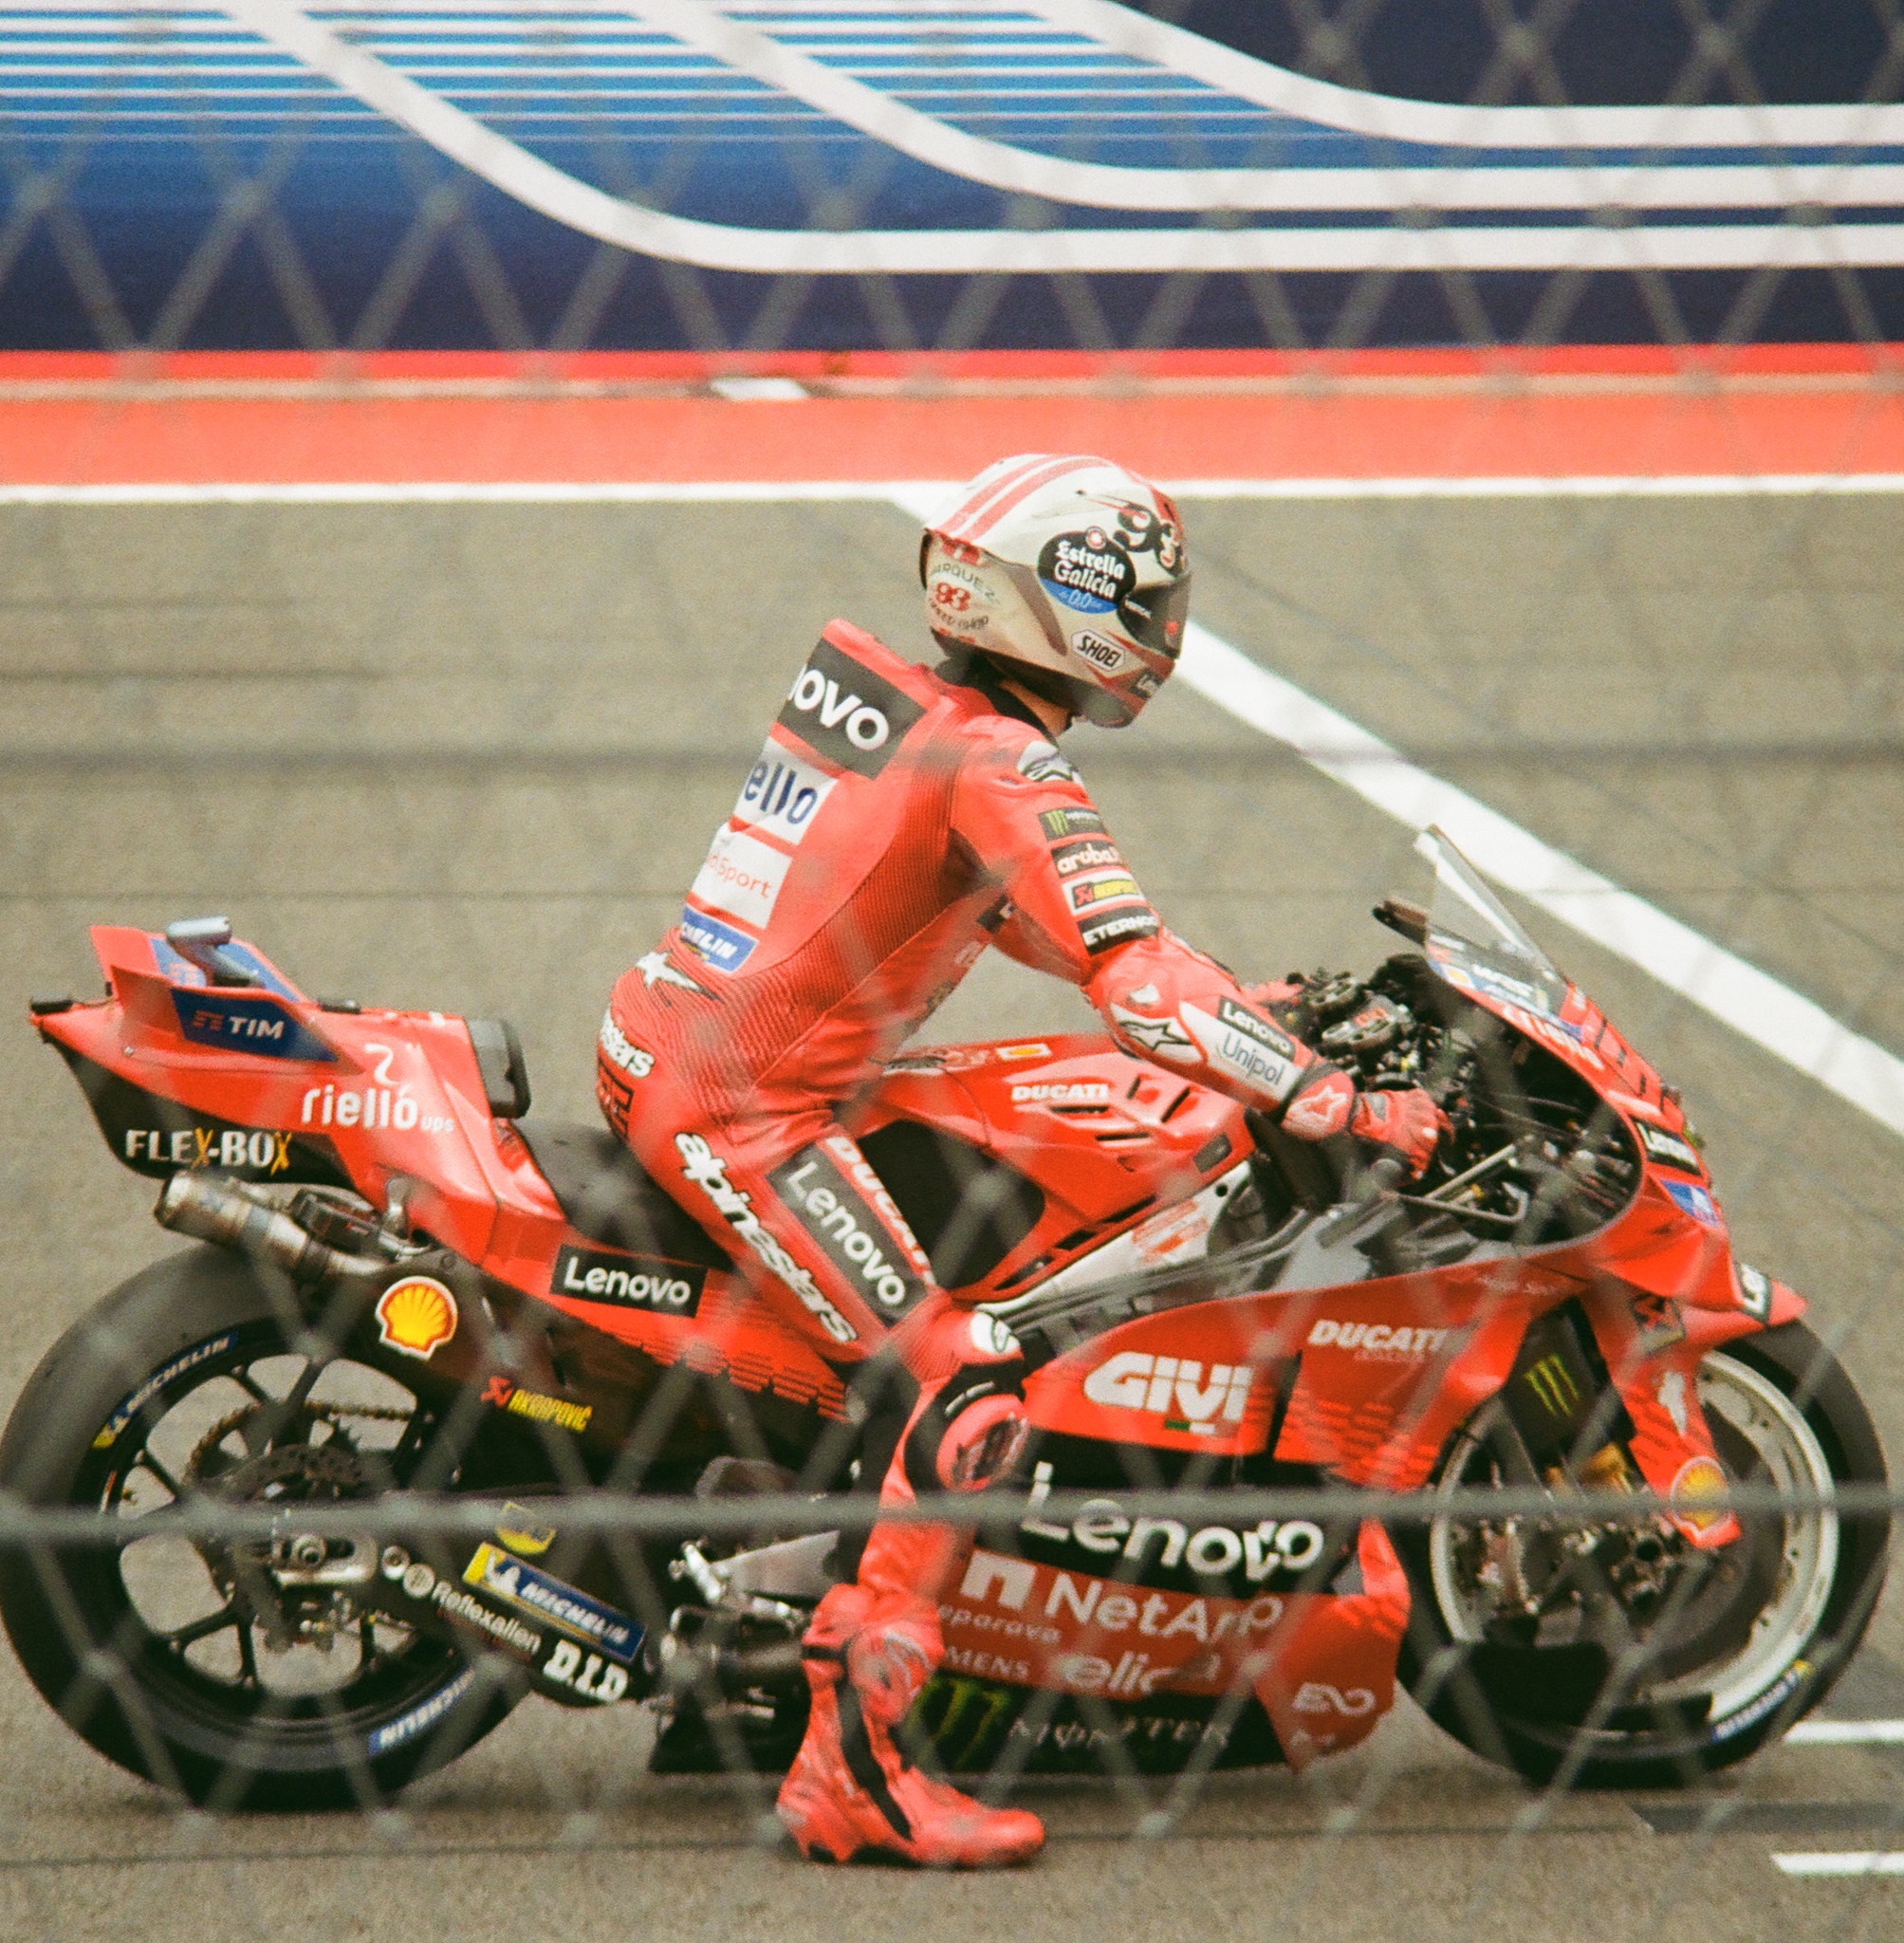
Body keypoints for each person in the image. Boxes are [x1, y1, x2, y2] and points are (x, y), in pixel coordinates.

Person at [595, 453, 1447, 1867]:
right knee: (969, 1372)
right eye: (1147, 600)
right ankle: (850, 1770)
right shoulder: (1001, 758)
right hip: (743, 1113)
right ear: (1075, 602)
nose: (1163, 628)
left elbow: (1028, 919)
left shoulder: (898, 702)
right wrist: (1322, 1095)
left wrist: (1242, 1011)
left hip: (664, 1042)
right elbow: (1130, 979)